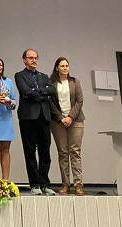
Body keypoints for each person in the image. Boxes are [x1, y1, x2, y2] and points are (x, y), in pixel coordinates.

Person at [14, 49, 57, 196]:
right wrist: (41, 92)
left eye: (35, 58)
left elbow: (52, 90)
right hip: (28, 118)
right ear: (24, 60)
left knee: (45, 152)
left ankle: (45, 183)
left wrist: (38, 92)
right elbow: (25, 91)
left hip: (44, 117)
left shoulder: (44, 76)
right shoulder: (19, 75)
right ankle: (35, 184)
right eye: (30, 58)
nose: (34, 60)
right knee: (30, 152)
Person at [49, 57, 86, 196]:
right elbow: (50, 103)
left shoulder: (75, 82)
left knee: (75, 152)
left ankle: (78, 184)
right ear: (57, 68)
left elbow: (79, 100)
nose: (65, 68)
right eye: (62, 66)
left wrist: (70, 117)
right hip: (58, 122)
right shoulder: (51, 83)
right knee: (63, 153)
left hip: (76, 121)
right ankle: (65, 184)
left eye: (67, 66)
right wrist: (61, 118)